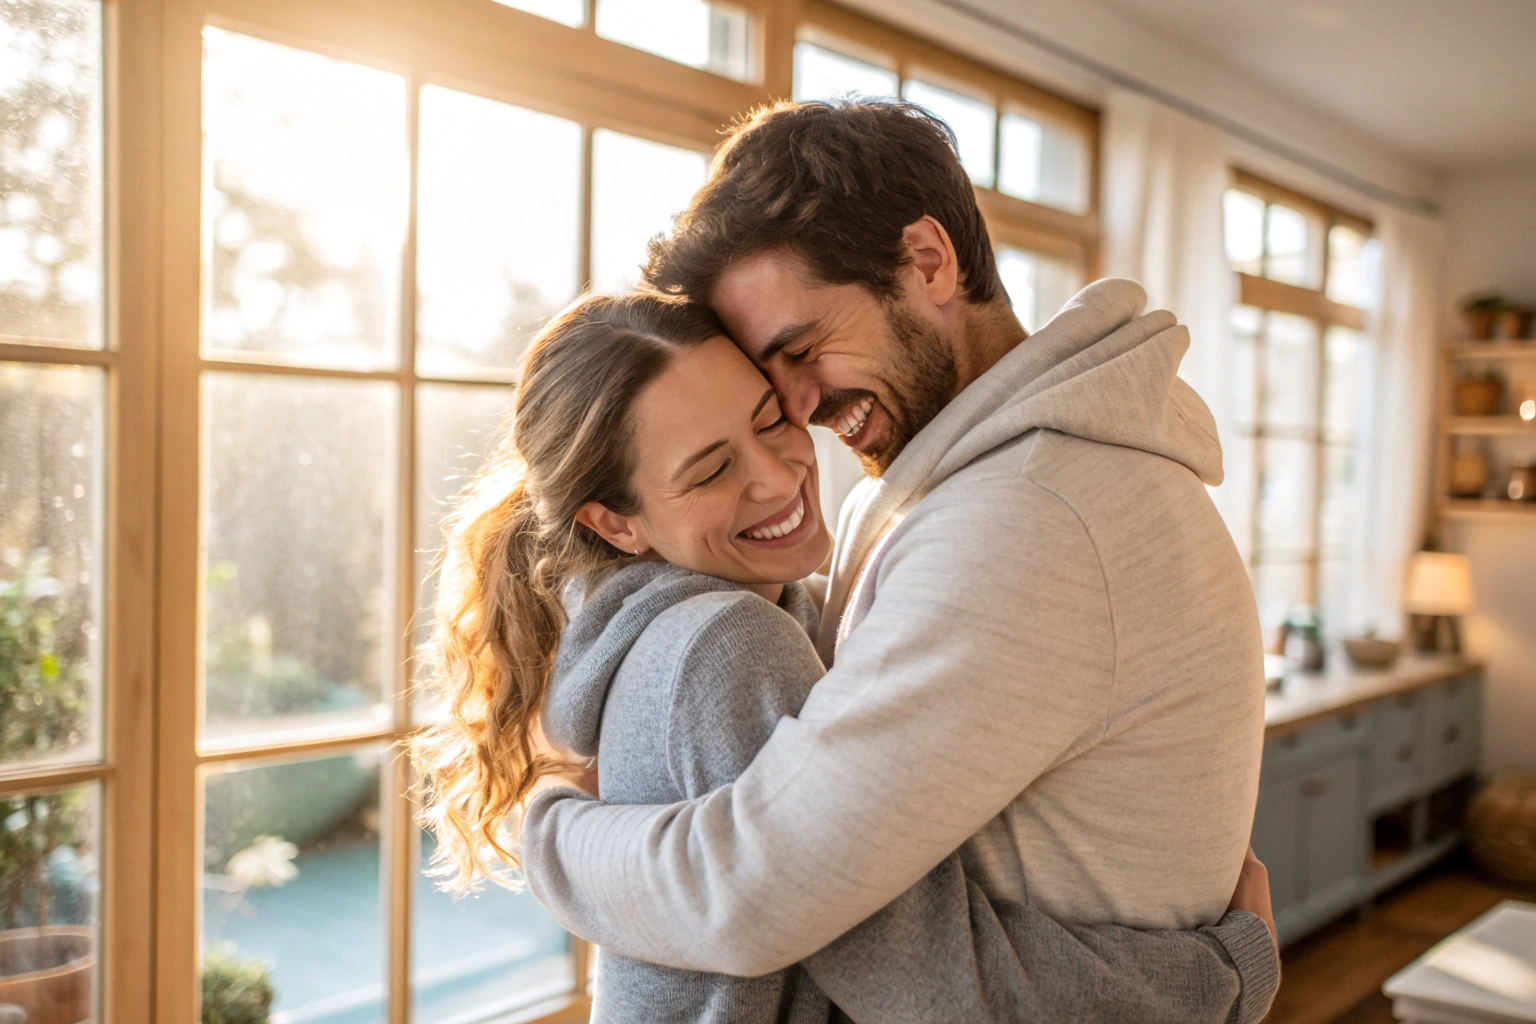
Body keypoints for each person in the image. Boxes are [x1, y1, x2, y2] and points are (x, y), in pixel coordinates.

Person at [518, 98, 1279, 1019]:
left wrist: (551, 832)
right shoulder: (974, 485)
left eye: (800, 353)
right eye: (769, 380)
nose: (795, 410)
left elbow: (759, 892)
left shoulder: (1028, 514)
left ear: (928, 261)